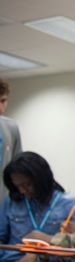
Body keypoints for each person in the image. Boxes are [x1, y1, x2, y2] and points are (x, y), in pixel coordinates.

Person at [0, 152, 75, 262]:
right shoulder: (13, 200)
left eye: (26, 185)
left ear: (40, 179)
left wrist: (36, 254)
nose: (21, 190)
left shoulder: (69, 204)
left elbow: (74, 250)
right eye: (17, 186)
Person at [0, 76, 23, 204]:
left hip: (4, 204)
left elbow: (18, 167)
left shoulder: (11, 127)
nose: (0, 107)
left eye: (3, 101)